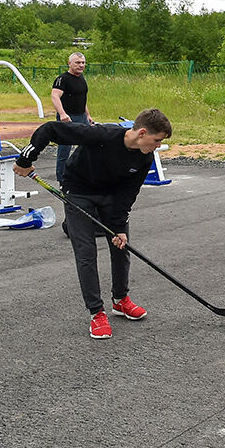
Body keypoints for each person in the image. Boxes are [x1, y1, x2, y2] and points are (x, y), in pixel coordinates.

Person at [14, 108, 173, 339]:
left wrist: (119, 227)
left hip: (110, 196)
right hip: (78, 191)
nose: (158, 145)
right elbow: (49, 129)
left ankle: (120, 300)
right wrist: (25, 159)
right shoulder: (101, 135)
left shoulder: (144, 157)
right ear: (142, 133)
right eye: (157, 140)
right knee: (86, 252)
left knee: (121, 246)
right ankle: (96, 313)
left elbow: (128, 193)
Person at [51, 52, 92, 183]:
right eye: (78, 63)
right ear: (69, 63)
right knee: (64, 149)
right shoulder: (62, 79)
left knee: (87, 145)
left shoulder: (82, 78)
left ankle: (82, 174)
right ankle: (62, 179)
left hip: (81, 117)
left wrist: (88, 115)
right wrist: (62, 114)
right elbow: (55, 96)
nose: (81, 65)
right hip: (67, 118)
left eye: (83, 63)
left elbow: (82, 98)